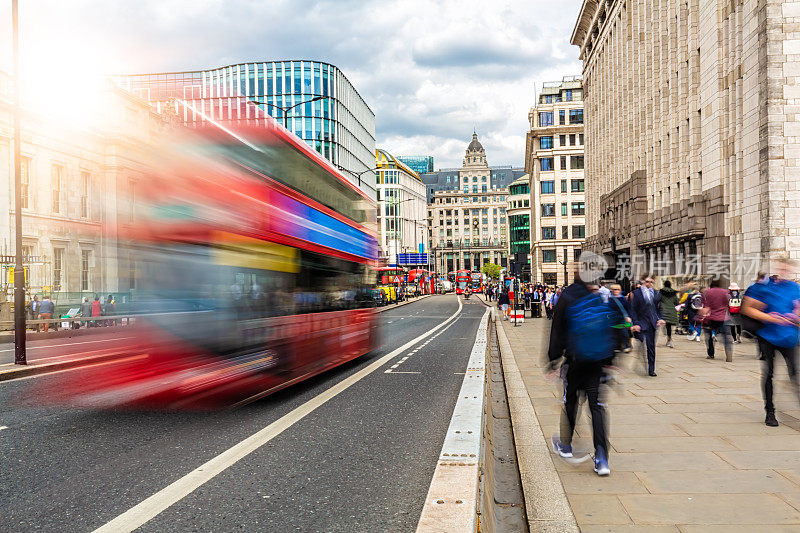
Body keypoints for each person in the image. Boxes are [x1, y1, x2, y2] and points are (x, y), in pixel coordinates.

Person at [548, 276, 614, 476]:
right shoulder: (600, 296)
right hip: (597, 362)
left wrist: (552, 360)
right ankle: (602, 457)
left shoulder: (567, 296)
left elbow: (557, 330)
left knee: (571, 402)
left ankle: (566, 446)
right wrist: (611, 361)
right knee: (597, 408)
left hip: (575, 362)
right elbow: (612, 327)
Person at [742, 260, 800, 427]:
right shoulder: (762, 287)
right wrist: (770, 317)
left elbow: (798, 305)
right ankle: (770, 411)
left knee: (795, 374)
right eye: (780, 268)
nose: (783, 271)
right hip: (767, 336)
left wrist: (795, 314)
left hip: (789, 337)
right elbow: (747, 308)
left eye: (787, 268)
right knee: (769, 373)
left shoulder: (794, 287)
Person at [630, 275, 665, 377]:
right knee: (640, 343)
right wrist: (635, 323)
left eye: (651, 282)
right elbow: (633, 310)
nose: (649, 284)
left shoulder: (657, 293)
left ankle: (651, 369)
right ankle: (640, 358)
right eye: (647, 282)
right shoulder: (636, 293)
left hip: (652, 323)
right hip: (640, 323)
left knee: (651, 346)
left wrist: (661, 318)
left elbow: (660, 308)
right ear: (643, 281)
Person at [699, 279, 733, 361]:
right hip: (723, 318)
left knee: (709, 335)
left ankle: (711, 354)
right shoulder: (725, 292)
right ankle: (728, 353)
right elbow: (727, 304)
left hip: (712, 318)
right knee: (726, 337)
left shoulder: (708, 292)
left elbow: (707, 306)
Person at [610, 284, 632, 352]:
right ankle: (618, 346)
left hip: (623, 318)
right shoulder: (610, 299)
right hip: (614, 318)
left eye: (618, 289)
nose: (616, 291)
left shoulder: (623, 299)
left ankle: (627, 345)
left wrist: (628, 316)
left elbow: (628, 308)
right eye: (614, 289)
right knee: (616, 333)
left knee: (624, 332)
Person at [659, 280, 679, 348]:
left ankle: (667, 337)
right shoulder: (673, 293)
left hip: (663, 311)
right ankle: (669, 339)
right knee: (669, 326)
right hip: (671, 311)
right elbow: (676, 302)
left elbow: (658, 300)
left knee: (664, 324)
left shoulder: (661, 292)